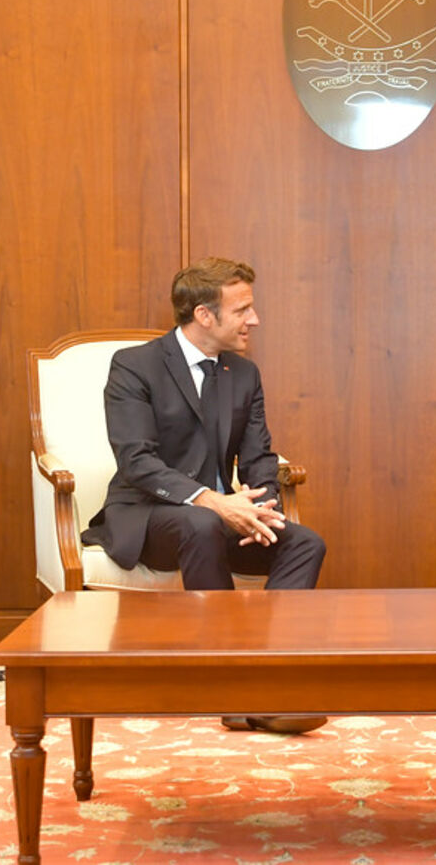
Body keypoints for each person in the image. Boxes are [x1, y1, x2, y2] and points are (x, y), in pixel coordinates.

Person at [81, 257, 326, 734]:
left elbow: (258, 456)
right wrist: (211, 500)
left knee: (304, 543)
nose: (255, 320)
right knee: (202, 521)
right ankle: (231, 690)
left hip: (219, 521)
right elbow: (136, 459)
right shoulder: (135, 366)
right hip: (149, 516)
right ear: (204, 315)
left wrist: (261, 508)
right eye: (242, 310)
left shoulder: (243, 373)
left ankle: (271, 677)